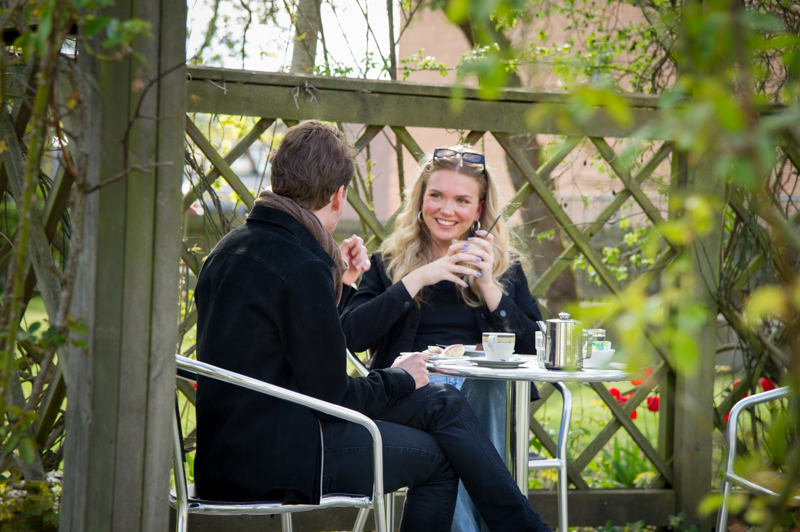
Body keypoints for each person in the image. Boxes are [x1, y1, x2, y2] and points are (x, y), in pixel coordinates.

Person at [193, 120, 552, 532]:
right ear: (338, 194)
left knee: (443, 403)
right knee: (437, 455)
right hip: (284, 455)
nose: (447, 209)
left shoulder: (227, 249)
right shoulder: (304, 264)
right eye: (436, 195)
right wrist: (401, 378)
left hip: (230, 451)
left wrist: (341, 283)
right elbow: (332, 392)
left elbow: (288, 338)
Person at [340, 146, 544, 532]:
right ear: (421, 199)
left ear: (480, 209)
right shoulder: (389, 262)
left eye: (461, 200)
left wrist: (488, 286)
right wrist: (417, 279)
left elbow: (536, 348)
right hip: (409, 399)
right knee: (447, 410)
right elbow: (350, 334)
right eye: (436, 195)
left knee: (484, 388)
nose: (446, 210)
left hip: (485, 402)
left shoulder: (506, 269)